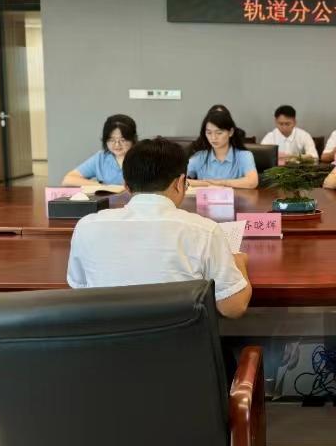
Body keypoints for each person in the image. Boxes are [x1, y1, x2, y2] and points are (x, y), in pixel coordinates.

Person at [67, 137, 252, 319]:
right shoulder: (205, 231)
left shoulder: (86, 227)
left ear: (126, 186)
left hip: (107, 338)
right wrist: (239, 262)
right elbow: (233, 308)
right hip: (180, 339)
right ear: (179, 182)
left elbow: (79, 290)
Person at [187, 109, 258, 189]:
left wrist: (221, 183)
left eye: (219, 133)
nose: (213, 138)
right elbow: (180, 181)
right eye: (209, 133)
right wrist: (208, 183)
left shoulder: (244, 156)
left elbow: (252, 182)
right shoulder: (199, 157)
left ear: (231, 132)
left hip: (236, 197)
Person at [62, 114, 137, 187]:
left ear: (133, 139)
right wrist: (101, 186)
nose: (117, 145)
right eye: (111, 140)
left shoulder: (141, 156)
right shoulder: (101, 158)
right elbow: (68, 179)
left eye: (123, 140)